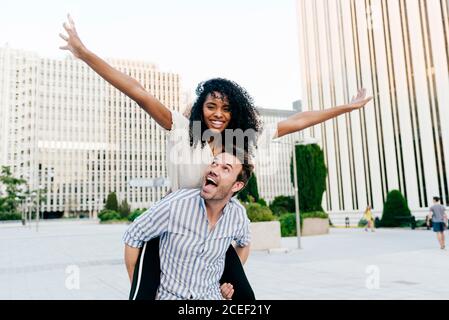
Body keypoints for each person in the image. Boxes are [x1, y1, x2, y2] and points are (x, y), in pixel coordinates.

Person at [59, 14, 373, 300]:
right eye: (211, 107)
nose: (218, 114)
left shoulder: (243, 141)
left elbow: (298, 120)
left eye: (225, 109)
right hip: (174, 227)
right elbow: (138, 90)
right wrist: (84, 53)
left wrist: (346, 107)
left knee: (244, 299)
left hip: (213, 232)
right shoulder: (182, 130)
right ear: (201, 108)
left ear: (234, 111)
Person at [124, 151, 253, 300]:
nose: (214, 169)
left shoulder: (237, 215)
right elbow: (133, 235)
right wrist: (140, 290)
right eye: (214, 163)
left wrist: (231, 279)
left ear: (237, 185)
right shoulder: (176, 204)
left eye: (225, 168)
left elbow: (244, 243)